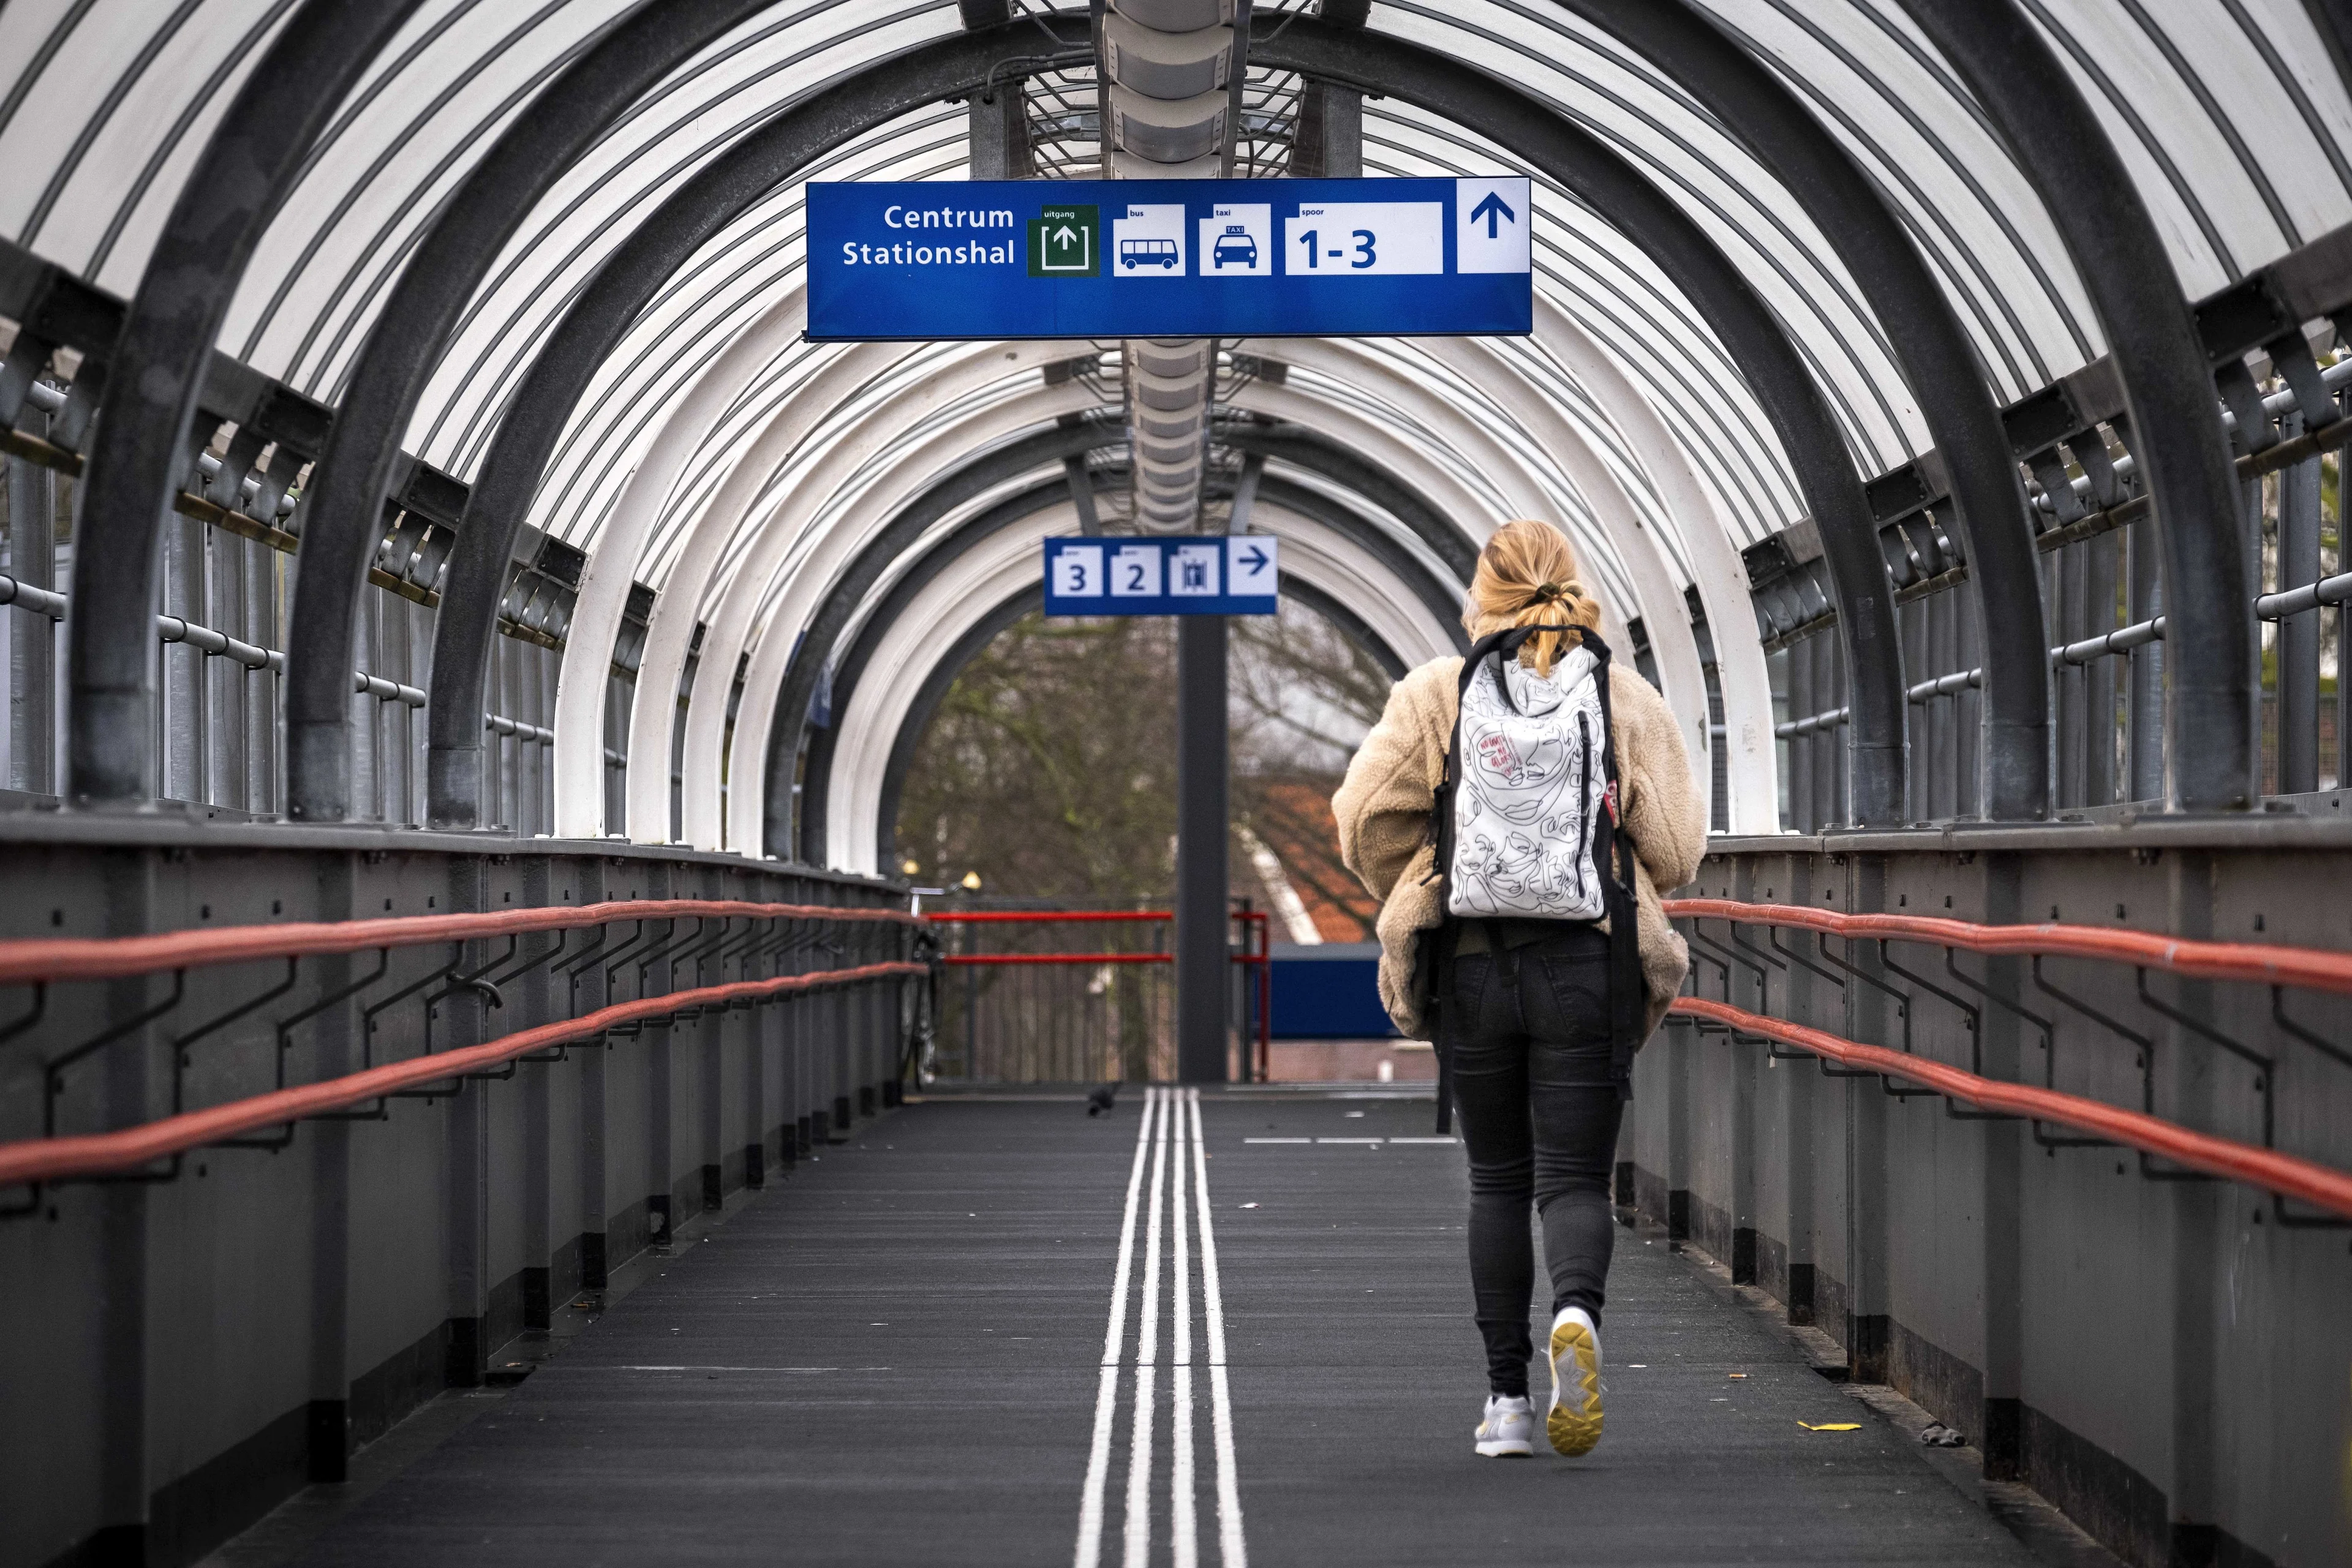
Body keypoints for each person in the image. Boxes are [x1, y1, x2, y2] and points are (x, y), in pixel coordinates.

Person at [1333, 519, 1705, 1459]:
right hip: (1586, 966)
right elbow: (1678, 854)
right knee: (1574, 1178)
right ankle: (1576, 1312)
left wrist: (1435, 860)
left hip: (1472, 966)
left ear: (1481, 598)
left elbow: (1363, 823)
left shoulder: (1435, 693)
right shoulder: (1624, 697)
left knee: (1496, 1180)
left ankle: (1505, 1405)